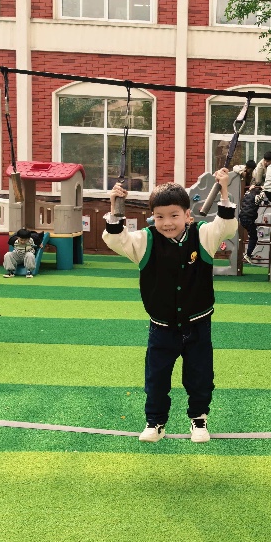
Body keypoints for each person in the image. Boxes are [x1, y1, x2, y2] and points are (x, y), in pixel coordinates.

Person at [103, 169, 238, 443]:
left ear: (188, 215)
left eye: (174, 215)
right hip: (162, 327)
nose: (167, 223)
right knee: (156, 378)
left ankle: (199, 419)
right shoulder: (145, 240)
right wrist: (115, 208)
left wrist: (224, 190)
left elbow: (226, 225)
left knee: (200, 376)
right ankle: (155, 422)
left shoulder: (202, 236)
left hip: (198, 325)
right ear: (152, 216)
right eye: (160, 216)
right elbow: (116, 239)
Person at [238, 160, 263, 264]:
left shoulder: (247, 193)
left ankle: (248, 252)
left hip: (242, 218)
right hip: (249, 219)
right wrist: (263, 189)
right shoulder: (257, 196)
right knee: (254, 237)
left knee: (251, 232)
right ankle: (248, 254)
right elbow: (262, 197)